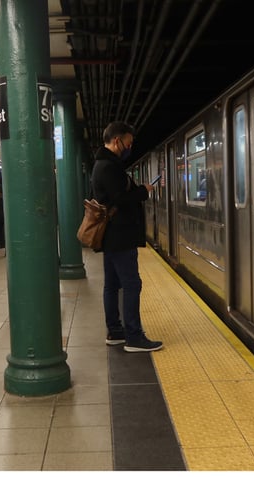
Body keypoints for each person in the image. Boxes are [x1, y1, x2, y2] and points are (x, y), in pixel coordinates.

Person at [90, 121, 163, 353]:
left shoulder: (103, 165)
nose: (130, 147)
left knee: (112, 285)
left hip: (112, 235)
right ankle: (134, 337)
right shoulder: (109, 167)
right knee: (132, 284)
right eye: (128, 142)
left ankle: (115, 331)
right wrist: (143, 191)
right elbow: (120, 198)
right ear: (116, 140)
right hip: (120, 235)